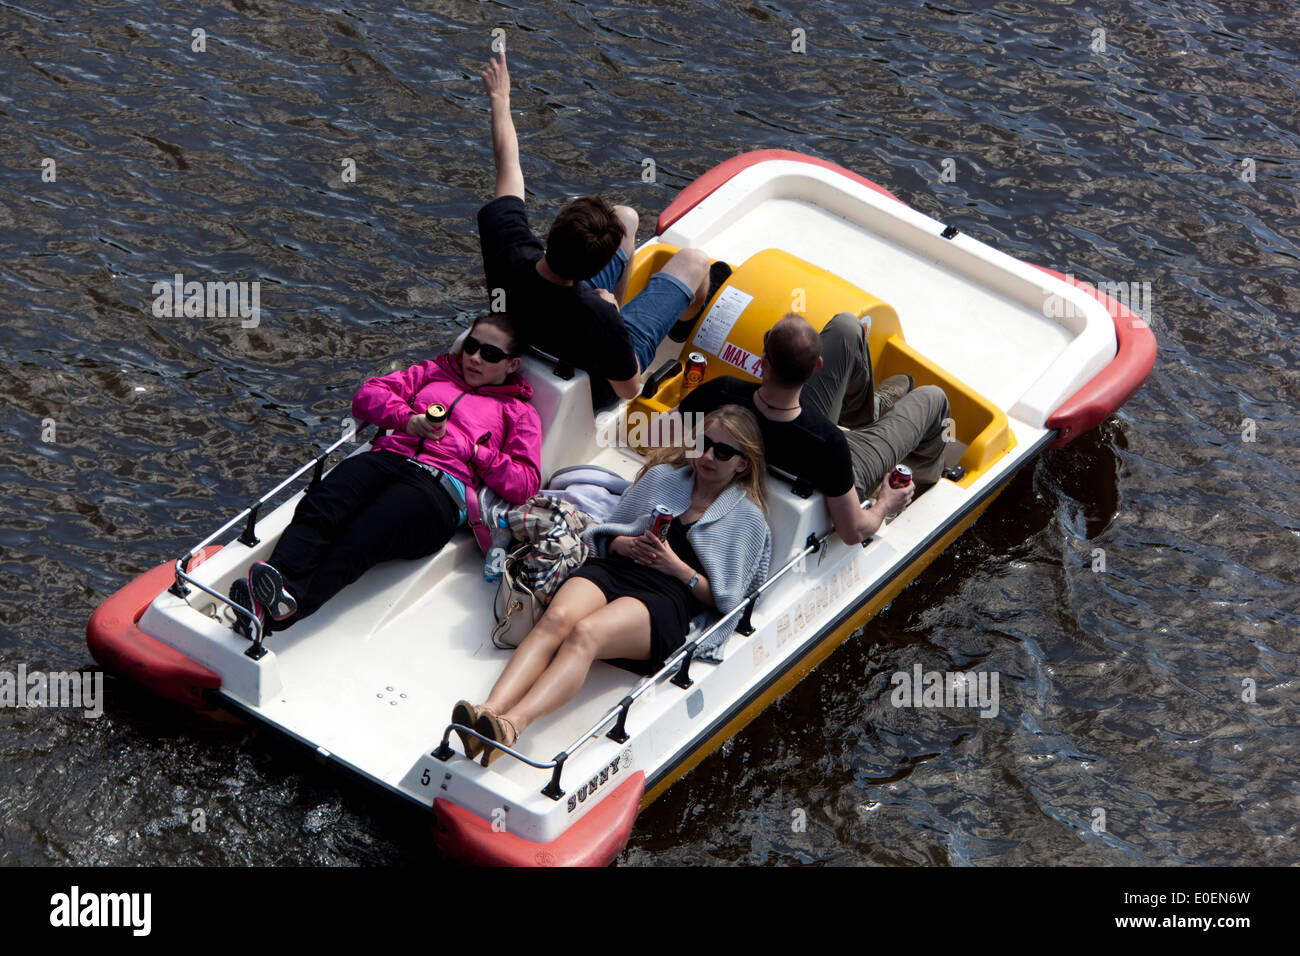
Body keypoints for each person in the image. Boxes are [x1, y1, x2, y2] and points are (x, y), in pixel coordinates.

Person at [453, 405, 772, 765]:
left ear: (743, 463)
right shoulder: (663, 477)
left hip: (666, 597)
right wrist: (622, 543)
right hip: (617, 568)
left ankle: (510, 726)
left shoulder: (748, 519)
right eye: (703, 442)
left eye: (723, 451)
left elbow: (727, 600)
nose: (708, 455)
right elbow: (605, 531)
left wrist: (679, 568)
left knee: (584, 633)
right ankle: (487, 714)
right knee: (556, 620)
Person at [228, 314, 542, 635]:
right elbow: (368, 395)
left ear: (511, 365)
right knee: (323, 503)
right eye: (471, 347)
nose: (474, 358)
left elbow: (525, 483)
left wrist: (474, 452)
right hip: (389, 458)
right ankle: (275, 586)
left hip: (438, 492)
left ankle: (276, 615)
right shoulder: (433, 373)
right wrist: (407, 419)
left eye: (489, 354)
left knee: (364, 535)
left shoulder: (519, 413)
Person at [476, 48, 722, 409]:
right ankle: (684, 322)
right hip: (596, 382)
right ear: (595, 271)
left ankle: (640, 302)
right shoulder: (600, 316)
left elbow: (508, 167)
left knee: (624, 217)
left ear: (548, 237)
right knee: (695, 261)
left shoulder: (510, 249)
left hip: (539, 330)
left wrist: (500, 99)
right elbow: (630, 389)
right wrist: (616, 318)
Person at [676, 312, 951, 545]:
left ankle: (871, 409)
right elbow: (852, 531)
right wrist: (885, 506)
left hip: (807, 451)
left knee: (847, 326)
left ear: (763, 361)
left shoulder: (722, 391)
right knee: (934, 398)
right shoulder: (828, 443)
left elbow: (655, 431)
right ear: (817, 367)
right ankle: (924, 481)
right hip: (839, 467)